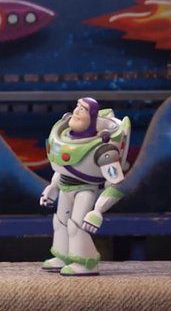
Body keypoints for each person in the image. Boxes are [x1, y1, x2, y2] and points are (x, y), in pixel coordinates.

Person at [39, 97, 131, 276]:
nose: (77, 111)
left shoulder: (103, 148)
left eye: (83, 109)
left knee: (77, 225)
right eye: (77, 107)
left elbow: (116, 184)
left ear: (93, 117)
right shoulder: (63, 137)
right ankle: (63, 256)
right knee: (61, 222)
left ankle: (86, 263)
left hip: (85, 190)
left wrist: (98, 211)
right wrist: (52, 187)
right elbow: (63, 169)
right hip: (65, 187)